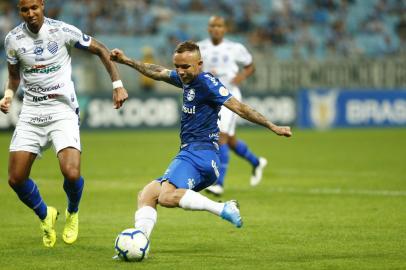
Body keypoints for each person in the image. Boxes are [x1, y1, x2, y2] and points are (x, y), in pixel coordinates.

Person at [110, 41, 291, 248]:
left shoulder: (207, 84)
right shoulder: (186, 79)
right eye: (177, 66)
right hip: (200, 158)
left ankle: (223, 209)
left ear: (199, 64)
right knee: (148, 194)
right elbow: (157, 71)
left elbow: (239, 108)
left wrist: (271, 125)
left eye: (185, 67)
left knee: (167, 197)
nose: (180, 71)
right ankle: (140, 242)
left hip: (199, 153)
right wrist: (126, 61)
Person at [0, 0, 128, 248]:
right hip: (31, 111)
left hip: (62, 110)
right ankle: (44, 214)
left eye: (34, 8)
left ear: (42, 6)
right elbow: (14, 76)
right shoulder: (13, 39)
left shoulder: (62, 31)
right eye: (25, 10)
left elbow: (101, 48)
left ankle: (72, 212)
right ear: (20, 11)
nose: (30, 14)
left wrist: (117, 85)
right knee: (15, 179)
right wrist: (7, 94)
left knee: (71, 172)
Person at [198, 16, 267, 196]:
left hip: (229, 97)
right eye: (212, 25)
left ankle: (218, 184)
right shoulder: (199, 48)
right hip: (209, 97)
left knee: (221, 137)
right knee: (231, 140)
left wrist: (241, 77)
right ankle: (256, 162)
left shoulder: (235, 48)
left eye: (219, 25)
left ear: (225, 29)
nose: (216, 29)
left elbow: (250, 66)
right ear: (208, 28)